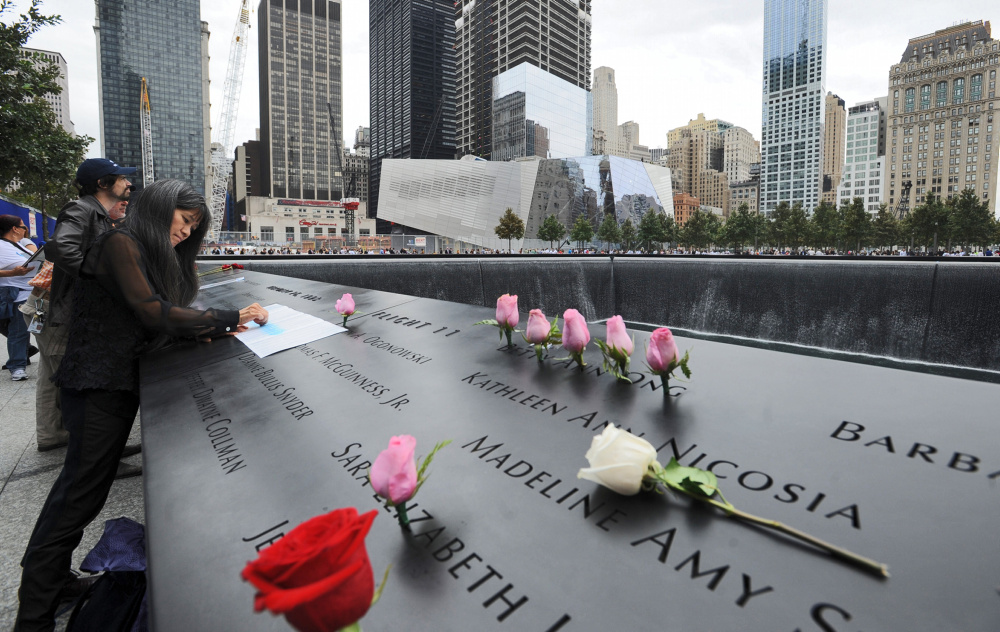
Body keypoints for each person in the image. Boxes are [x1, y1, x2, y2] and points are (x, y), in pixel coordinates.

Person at [14, 179, 268, 632]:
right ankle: (34, 615)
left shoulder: (142, 249)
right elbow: (152, 311)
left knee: (80, 496)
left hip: (113, 384)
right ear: (160, 206)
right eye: (185, 220)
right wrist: (232, 317)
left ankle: (53, 585)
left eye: (195, 227)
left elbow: (150, 319)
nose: (188, 232)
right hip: (97, 387)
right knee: (75, 500)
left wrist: (209, 329)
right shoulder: (118, 241)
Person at [32, 158, 134, 454]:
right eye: (121, 179)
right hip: (66, 313)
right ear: (103, 184)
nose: (128, 184)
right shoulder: (82, 208)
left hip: (66, 310)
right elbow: (63, 247)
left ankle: (74, 442)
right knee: (79, 387)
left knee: (58, 382)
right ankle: (94, 454)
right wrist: (101, 277)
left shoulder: (98, 214)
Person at [0, 216, 39, 380]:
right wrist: (12, 273)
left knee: (22, 330)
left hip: (29, 293)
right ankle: (17, 367)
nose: (25, 230)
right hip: (13, 295)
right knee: (17, 331)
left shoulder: (18, 245)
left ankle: (21, 356)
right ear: (14, 229)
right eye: (23, 227)